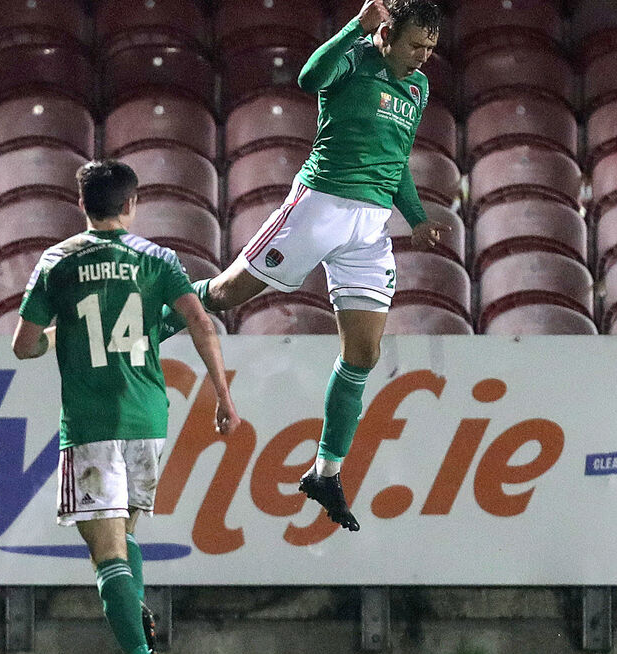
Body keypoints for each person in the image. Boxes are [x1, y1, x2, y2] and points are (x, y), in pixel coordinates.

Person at [156, 0, 446, 532]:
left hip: (371, 228)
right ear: (386, 34)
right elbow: (309, 78)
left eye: (430, 47)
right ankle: (141, 331)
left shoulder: (418, 88)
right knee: (224, 294)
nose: (423, 57)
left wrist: (417, 217)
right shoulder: (353, 59)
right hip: (319, 207)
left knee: (364, 353)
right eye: (415, 45)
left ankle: (325, 472)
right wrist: (354, 28)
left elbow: (398, 159)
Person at [11, 160, 239, 654]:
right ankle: (135, 614)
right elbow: (201, 322)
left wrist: (56, 337)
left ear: (81, 203)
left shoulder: (58, 260)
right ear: (131, 204)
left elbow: (23, 346)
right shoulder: (158, 258)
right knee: (126, 536)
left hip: (90, 423)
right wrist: (223, 397)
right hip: (147, 420)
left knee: (106, 555)